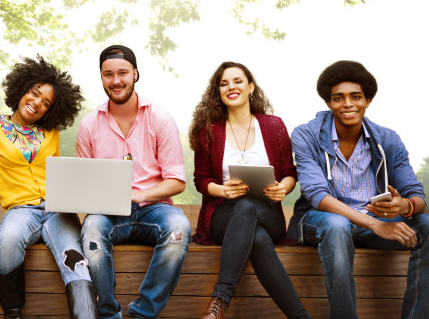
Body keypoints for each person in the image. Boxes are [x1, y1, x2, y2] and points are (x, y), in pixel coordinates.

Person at [286, 60, 428, 319]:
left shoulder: (388, 139)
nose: (347, 104)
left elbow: (417, 194)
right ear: (328, 103)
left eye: (355, 97)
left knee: (426, 225)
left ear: (367, 100)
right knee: (338, 225)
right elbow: (317, 196)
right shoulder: (305, 135)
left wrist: (405, 206)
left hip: (373, 220)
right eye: (338, 98)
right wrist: (377, 226)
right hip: (323, 220)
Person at [189, 62, 311, 319]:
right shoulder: (209, 129)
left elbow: (290, 173)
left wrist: (282, 189)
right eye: (224, 83)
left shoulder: (273, 126)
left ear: (250, 87)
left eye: (237, 81)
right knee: (256, 237)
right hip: (222, 214)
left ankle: (219, 303)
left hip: (267, 213)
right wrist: (222, 191)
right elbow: (201, 180)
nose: (231, 87)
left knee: (249, 209)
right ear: (218, 91)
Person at [78, 45, 190, 318]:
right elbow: (83, 184)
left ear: (136, 74)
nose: (116, 81)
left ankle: (144, 313)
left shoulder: (160, 118)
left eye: (122, 73)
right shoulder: (89, 124)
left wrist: (139, 195)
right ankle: (107, 313)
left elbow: (176, 181)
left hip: (154, 208)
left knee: (179, 227)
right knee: (92, 227)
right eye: (108, 74)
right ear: (102, 78)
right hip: (111, 214)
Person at [0, 55, 97, 318]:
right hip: (21, 209)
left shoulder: (51, 131)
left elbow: (57, 173)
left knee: (75, 260)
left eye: (46, 103)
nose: (37, 104)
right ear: (21, 90)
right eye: (34, 94)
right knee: (9, 239)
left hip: (57, 209)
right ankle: (12, 312)